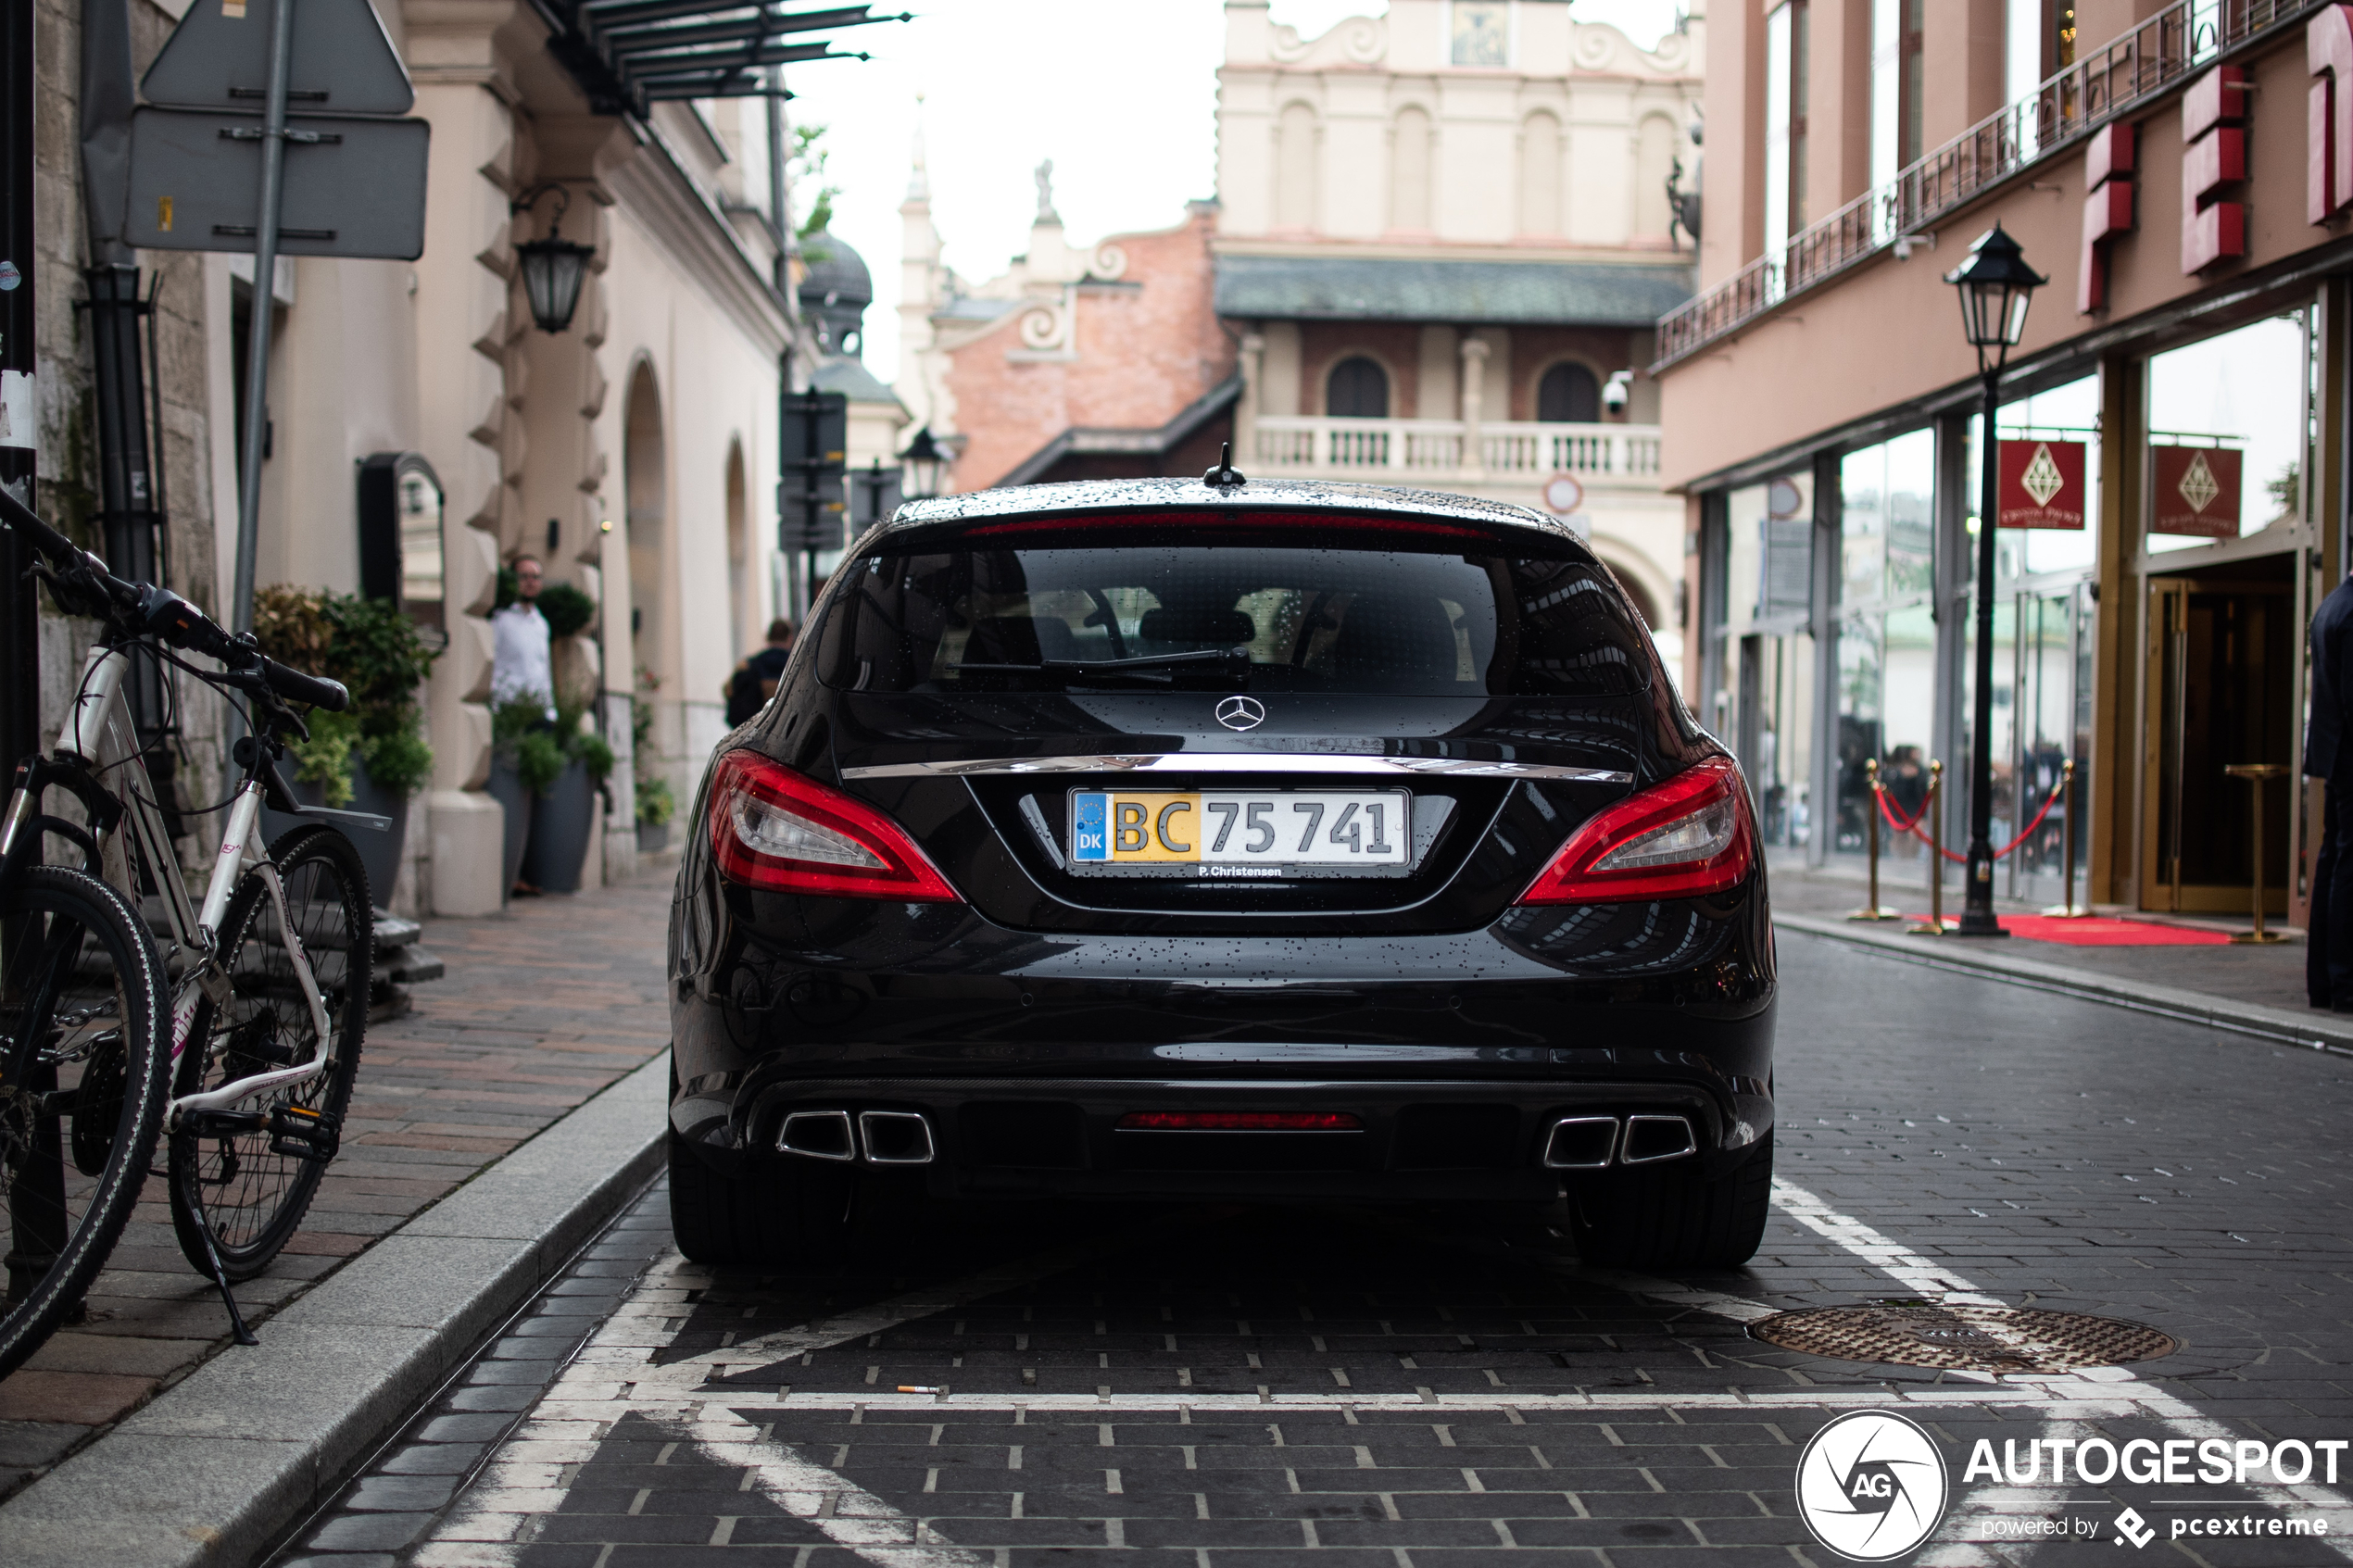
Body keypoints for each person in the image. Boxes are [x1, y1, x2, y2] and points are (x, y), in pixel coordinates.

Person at [2307, 566, 2353, 1009]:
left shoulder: (2331, 605)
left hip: (2333, 754)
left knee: (2333, 857)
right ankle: (2344, 982)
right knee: (2347, 864)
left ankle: (2324, 981)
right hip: (2349, 755)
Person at [490, 556, 556, 722]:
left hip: (538, 712)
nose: (530, 582)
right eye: (524, 576)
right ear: (513, 580)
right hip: (508, 709)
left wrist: (550, 711)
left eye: (535, 577)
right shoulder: (501, 619)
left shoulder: (541, 624)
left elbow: (544, 668)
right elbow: (492, 662)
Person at [724, 618, 796, 727]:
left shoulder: (748, 665)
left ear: (767, 637)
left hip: (753, 728)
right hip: (785, 727)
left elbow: (728, 689)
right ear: (789, 638)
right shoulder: (795, 665)